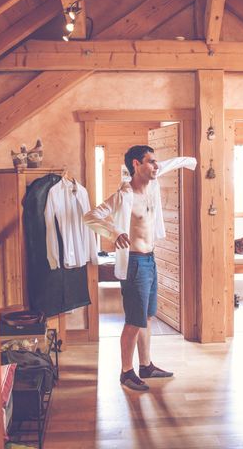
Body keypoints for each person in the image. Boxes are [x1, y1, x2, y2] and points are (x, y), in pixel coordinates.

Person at [84, 145, 197, 390]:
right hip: (134, 262)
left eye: (156, 162)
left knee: (146, 316)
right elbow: (90, 216)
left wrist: (192, 161)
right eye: (151, 161)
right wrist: (113, 232)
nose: (157, 166)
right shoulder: (125, 195)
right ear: (136, 164)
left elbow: (170, 164)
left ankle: (146, 365)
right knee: (134, 320)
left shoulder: (152, 185)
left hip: (150, 260)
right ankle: (126, 372)